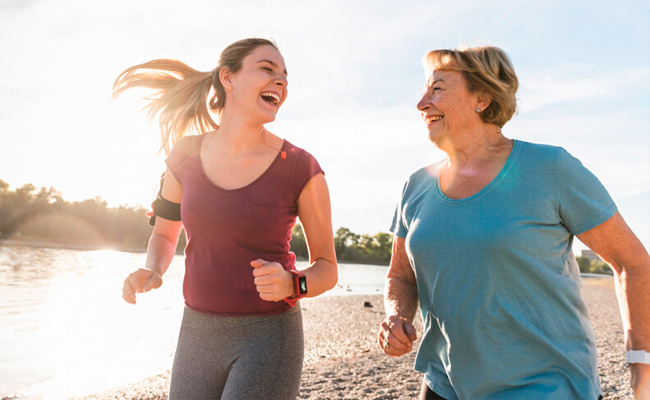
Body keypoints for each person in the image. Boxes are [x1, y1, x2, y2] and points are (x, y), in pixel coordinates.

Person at [378, 46, 650, 400]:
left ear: (482, 97)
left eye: (437, 89)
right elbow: (400, 275)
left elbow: (632, 263)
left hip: (546, 388)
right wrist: (396, 316)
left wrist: (641, 370)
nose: (421, 103)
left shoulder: (551, 168)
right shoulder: (416, 185)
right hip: (443, 386)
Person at [113, 38, 338, 400]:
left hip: (269, 336)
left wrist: (291, 284)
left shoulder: (300, 167)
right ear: (228, 78)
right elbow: (167, 234)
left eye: (285, 76)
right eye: (267, 69)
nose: (281, 81)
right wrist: (153, 270)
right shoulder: (184, 154)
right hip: (196, 333)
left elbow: (328, 268)